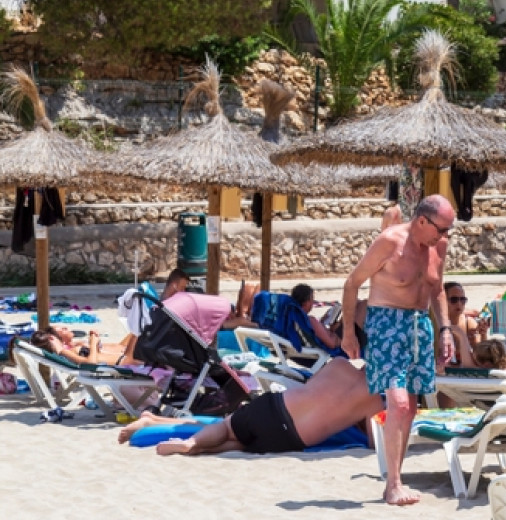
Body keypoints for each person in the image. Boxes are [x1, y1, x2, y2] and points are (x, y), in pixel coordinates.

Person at [340, 196, 456, 506]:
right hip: (386, 322)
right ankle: (393, 485)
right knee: (399, 402)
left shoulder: (437, 247)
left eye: (449, 231)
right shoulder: (389, 242)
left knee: (411, 406)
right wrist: (349, 332)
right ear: (422, 221)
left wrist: (445, 328)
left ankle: (396, 478)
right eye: (441, 230)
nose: (444, 237)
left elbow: (437, 289)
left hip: (419, 325)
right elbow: (352, 283)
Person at [120, 358, 385, 456]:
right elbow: (375, 444)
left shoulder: (339, 364)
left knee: (227, 426)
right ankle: (190, 446)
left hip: (276, 406)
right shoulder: (374, 402)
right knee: (242, 442)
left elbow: (315, 388)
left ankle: (184, 439)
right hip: (290, 438)